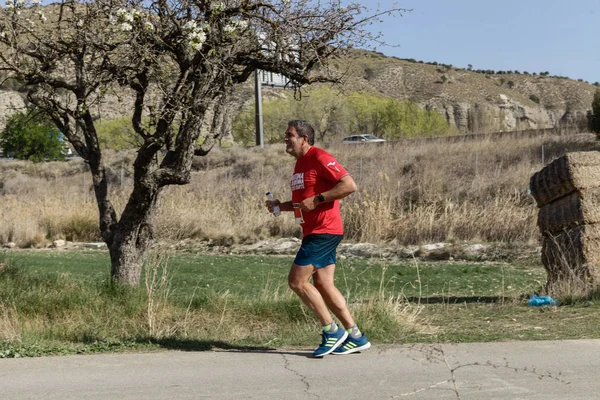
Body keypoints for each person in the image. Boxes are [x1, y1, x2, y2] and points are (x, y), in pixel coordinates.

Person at [265, 120, 371, 357]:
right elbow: (304, 202)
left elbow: (349, 185)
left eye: (289, 135)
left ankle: (331, 330)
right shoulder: (300, 164)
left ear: (304, 138)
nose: (285, 139)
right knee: (323, 284)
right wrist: (280, 206)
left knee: (297, 281)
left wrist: (319, 199)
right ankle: (355, 336)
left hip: (324, 230)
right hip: (314, 231)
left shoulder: (320, 157)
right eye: (285, 135)